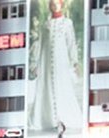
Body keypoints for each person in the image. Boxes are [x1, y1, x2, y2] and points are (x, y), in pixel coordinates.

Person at [28, 0, 82, 131]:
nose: (55, 6)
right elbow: (40, 44)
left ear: (61, 4)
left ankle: (63, 117)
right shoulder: (45, 24)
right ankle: (48, 119)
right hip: (46, 61)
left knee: (61, 85)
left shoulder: (67, 23)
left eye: (57, 3)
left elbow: (71, 42)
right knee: (46, 86)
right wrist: (35, 63)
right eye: (52, 3)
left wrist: (74, 61)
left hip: (61, 61)